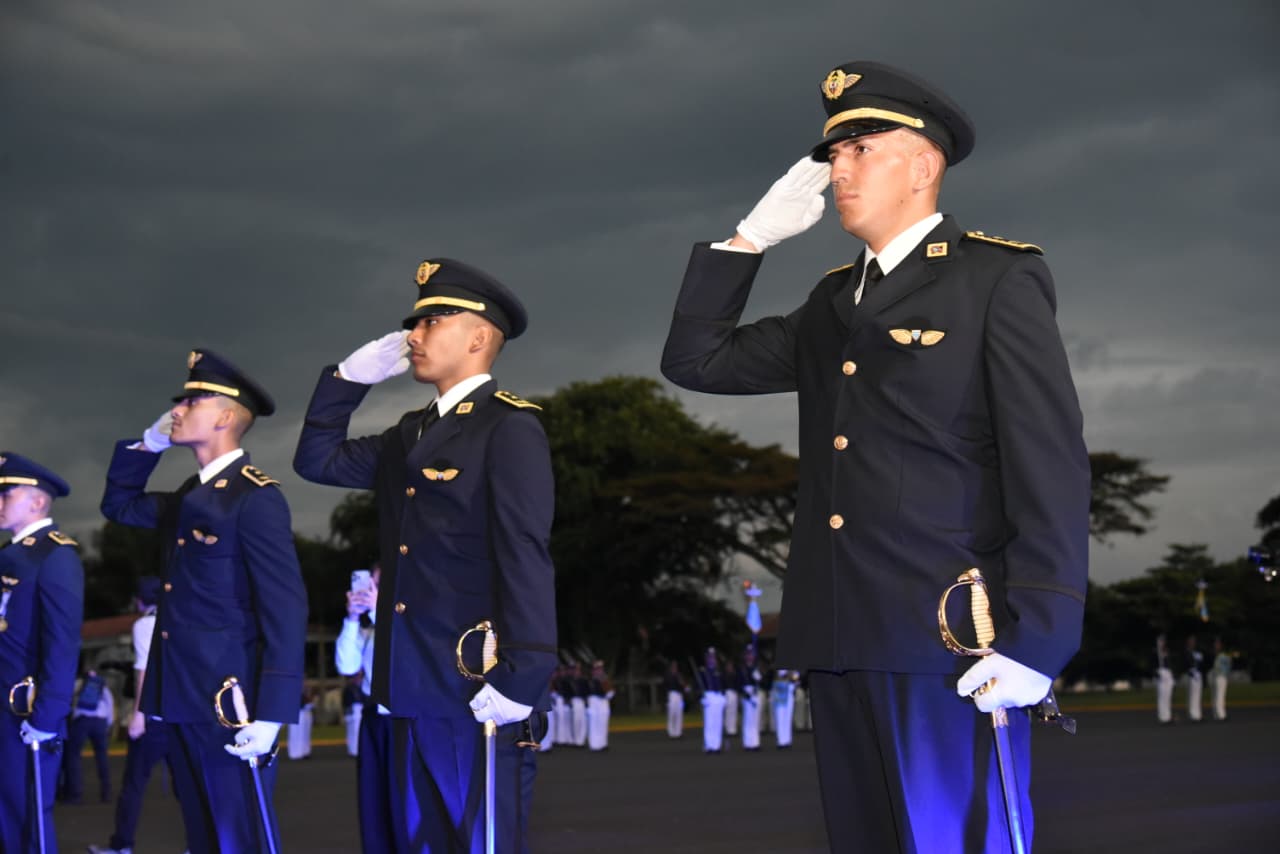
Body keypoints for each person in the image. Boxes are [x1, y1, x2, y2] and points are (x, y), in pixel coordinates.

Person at [661, 60, 1090, 851]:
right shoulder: (831, 303)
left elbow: (1049, 465)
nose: (840, 170)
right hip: (841, 635)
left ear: (923, 166)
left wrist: (1040, 639)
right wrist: (748, 241)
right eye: (835, 153)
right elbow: (697, 362)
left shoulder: (994, 279)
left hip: (948, 639)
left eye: (861, 148)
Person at [293, 257, 558, 853]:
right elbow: (316, 461)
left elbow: (524, 551)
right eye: (414, 323)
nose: (413, 335)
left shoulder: (508, 426)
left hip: (476, 684)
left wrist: (525, 673)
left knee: (479, 841)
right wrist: (346, 380)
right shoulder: (407, 434)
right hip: (407, 684)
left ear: (479, 337)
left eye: (432, 321)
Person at [101, 349, 308, 853]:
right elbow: (119, 505)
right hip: (182, 697)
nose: (176, 410)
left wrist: (272, 713)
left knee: (240, 836)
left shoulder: (254, 497)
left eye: (192, 402)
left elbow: (285, 607)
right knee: (202, 837)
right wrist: (147, 445)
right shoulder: (188, 498)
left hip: (230, 703)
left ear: (224, 417)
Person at [0, 453, 85, 854]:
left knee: (26, 817)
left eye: (6, 494)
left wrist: (47, 717)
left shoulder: (55, 555)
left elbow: (62, 644)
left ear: (37, 501)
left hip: (24, 710)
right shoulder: (11, 554)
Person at [90, 576, 187, 854]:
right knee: (187, 788)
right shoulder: (181, 619)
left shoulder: (144, 625)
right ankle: (200, 843)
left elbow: (143, 671)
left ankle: (122, 845)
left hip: (154, 720)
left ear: (140, 601)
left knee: (133, 786)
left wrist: (139, 715)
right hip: (182, 718)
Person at [62, 667, 116, 804]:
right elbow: (110, 703)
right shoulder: (102, 685)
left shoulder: (79, 683)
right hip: (100, 722)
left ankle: (75, 793)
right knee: (102, 756)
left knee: (73, 755)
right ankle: (106, 792)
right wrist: (108, 723)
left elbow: (68, 700)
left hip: (82, 721)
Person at [698, 648, 727, 754]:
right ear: (706, 659)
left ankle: (716, 745)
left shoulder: (719, 671)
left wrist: (723, 696)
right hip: (709, 696)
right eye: (710, 657)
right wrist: (702, 697)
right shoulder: (703, 671)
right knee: (709, 723)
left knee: (717, 722)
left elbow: (724, 684)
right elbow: (699, 686)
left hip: (718, 696)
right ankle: (709, 745)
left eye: (713, 657)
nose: (712, 659)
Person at [738, 647, 763, 752]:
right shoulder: (742, 668)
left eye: (751, 654)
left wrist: (757, 676)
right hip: (747, 693)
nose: (750, 656)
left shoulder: (755, 668)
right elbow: (739, 683)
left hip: (755, 693)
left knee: (755, 719)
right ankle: (748, 743)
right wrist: (745, 693)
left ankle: (755, 743)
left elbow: (760, 681)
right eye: (748, 654)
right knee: (748, 720)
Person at [586, 660, 613, 752]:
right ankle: (594, 745)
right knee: (594, 724)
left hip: (603, 702)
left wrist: (607, 694)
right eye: (596, 669)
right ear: (593, 670)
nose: (599, 671)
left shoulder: (605, 679)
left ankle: (603, 744)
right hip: (593, 702)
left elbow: (611, 692)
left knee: (603, 724)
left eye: (600, 669)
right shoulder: (590, 680)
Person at [661, 661, 689, 738]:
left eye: (675, 666)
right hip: (671, 694)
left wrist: (685, 688)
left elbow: (683, 685)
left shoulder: (679, 675)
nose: (674, 667)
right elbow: (664, 686)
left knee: (679, 714)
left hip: (679, 695)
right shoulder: (668, 675)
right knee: (671, 714)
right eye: (673, 666)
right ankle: (671, 732)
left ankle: (678, 732)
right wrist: (666, 696)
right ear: (670, 667)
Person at [772, 669, 798, 749]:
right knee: (780, 717)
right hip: (780, 691)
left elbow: (795, 677)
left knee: (788, 718)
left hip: (789, 691)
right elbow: (779, 676)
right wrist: (789, 675)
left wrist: (793, 677)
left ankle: (787, 740)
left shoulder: (792, 668)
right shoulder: (779, 668)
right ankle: (781, 741)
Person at [1184, 635, 1205, 723]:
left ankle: (1198, 714)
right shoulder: (1187, 651)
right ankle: (1193, 715)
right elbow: (1185, 663)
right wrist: (1189, 671)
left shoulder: (1197, 651)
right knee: (1192, 695)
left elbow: (1201, 662)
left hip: (1198, 674)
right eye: (1191, 641)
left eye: (1193, 641)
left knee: (1198, 695)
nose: (1192, 642)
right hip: (1191, 673)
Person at [1154, 633, 1174, 724]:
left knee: (1167, 696)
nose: (1162, 642)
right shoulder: (1156, 652)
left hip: (1168, 673)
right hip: (1161, 673)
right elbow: (1153, 664)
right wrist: (1156, 672)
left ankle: (1168, 716)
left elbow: (1170, 663)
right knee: (1162, 696)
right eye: (1160, 641)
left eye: (1163, 641)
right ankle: (1163, 717)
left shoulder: (1166, 651)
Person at [1210, 637, 1231, 721]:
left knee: (1219, 695)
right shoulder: (1218, 655)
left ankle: (1218, 713)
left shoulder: (1222, 655)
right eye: (1216, 644)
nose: (1217, 645)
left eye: (1218, 644)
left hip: (1221, 676)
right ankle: (1220, 714)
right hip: (1216, 676)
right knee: (1218, 695)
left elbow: (1228, 666)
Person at [722, 659, 740, 737]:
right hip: (727, 693)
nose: (730, 667)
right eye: (728, 666)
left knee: (734, 712)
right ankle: (728, 729)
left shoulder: (735, 674)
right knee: (728, 712)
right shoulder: (724, 675)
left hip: (734, 693)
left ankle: (733, 730)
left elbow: (738, 684)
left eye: (731, 666)